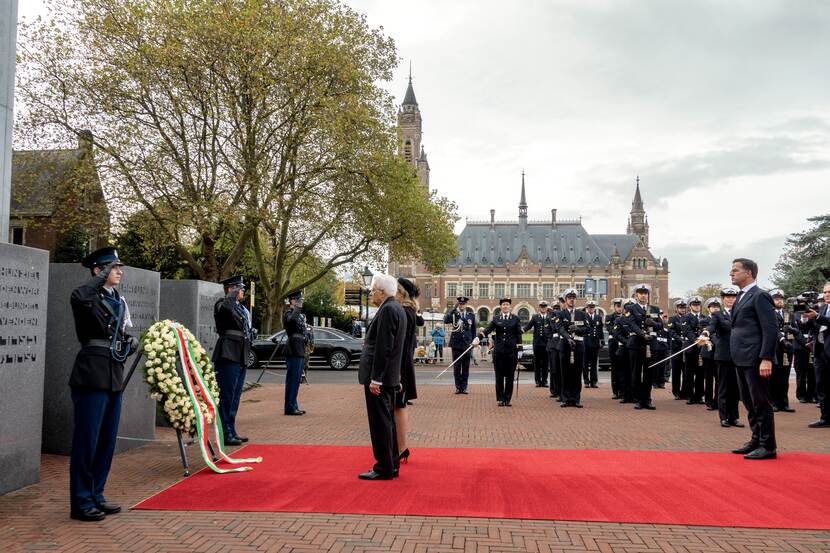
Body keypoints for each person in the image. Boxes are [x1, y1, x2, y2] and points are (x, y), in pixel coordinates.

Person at [68, 247, 138, 522]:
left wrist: (129, 342)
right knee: (87, 441)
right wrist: (100, 277)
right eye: (113, 267)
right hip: (91, 373)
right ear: (98, 271)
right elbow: (81, 295)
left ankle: (96, 493)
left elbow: (118, 332)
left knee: (106, 441)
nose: (119, 272)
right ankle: (81, 501)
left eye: (119, 267)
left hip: (112, 374)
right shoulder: (86, 297)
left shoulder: (118, 300)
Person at [358, 273, 407, 480]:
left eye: (374, 290)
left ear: (383, 291)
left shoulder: (387, 310)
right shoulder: (398, 308)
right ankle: (392, 464)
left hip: (381, 377)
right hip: (390, 376)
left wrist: (376, 378)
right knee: (388, 422)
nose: (371, 294)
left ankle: (384, 467)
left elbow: (384, 347)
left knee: (380, 423)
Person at [728, 258, 778, 460]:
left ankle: (768, 445)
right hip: (741, 358)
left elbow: (770, 329)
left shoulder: (760, 296)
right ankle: (756, 439)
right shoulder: (741, 296)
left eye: (735, 270)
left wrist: (766, 357)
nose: (731, 274)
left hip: (755, 358)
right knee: (748, 402)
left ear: (748, 273)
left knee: (761, 402)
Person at [213, 275, 254, 444]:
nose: (243, 290)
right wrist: (231, 293)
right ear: (230, 289)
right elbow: (225, 310)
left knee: (236, 395)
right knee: (227, 394)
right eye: (240, 287)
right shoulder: (222, 304)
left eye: (243, 287)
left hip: (240, 353)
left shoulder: (240, 308)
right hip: (228, 352)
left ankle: (231, 428)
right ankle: (224, 432)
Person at [705, 285, 743, 428]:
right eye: (727, 297)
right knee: (723, 387)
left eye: (733, 297)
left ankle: (734, 417)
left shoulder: (741, 313)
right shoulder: (718, 315)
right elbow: (711, 327)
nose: (731, 300)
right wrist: (706, 333)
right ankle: (724, 417)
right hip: (723, 355)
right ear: (723, 299)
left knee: (735, 388)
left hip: (738, 355)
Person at [395, 277, 423, 464]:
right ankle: (401, 447)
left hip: (400, 366)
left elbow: (400, 344)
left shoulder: (404, 312)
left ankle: (400, 448)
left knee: (398, 406)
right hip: (404, 365)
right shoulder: (410, 311)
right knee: (400, 406)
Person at [622, 283, 662, 410]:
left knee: (649, 373)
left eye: (645, 293)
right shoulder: (631, 309)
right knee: (636, 372)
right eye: (641, 293)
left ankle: (647, 399)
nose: (643, 295)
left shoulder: (654, 309)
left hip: (651, 344)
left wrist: (654, 323)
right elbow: (631, 324)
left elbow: (661, 325)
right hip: (637, 343)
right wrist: (642, 334)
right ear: (636, 295)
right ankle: (638, 399)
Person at [479, 298, 523, 406]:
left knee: (509, 376)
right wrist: (478, 337)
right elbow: (488, 330)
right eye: (503, 304)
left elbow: (518, 334)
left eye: (507, 304)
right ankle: (500, 398)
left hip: (511, 352)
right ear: (500, 306)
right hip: (498, 352)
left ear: (510, 306)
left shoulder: (515, 319)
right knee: (499, 376)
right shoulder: (496, 319)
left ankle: (507, 399)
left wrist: (520, 349)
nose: (505, 306)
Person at [800, 281, 830, 428]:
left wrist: (817, 316)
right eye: (825, 292)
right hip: (819, 352)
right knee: (821, 386)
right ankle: (825, 418)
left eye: (829, 292)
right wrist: (805, 317)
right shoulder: (822, 307)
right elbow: (809, 326)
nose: (826, 295)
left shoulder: (820, 312)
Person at [554, 288, 588, 408]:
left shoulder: (582, 314)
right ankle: (566, 398)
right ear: (565, 299)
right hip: (565, 345)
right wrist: (568, 338)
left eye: (573, 298)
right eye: (569, 298)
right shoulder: (560, 314)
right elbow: (560, 328)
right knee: (565, 373)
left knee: (577, 373)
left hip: (578, 345)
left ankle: (576, 399)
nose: (572, 300)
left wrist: (577, 329)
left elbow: (587, 329)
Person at [769, 289, 797, 413]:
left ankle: (784, 403)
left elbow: (796, 328)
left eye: (781, 298)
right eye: (776, 298)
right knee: (774, 376)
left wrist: (793, 331)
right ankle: (774, 402)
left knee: (784, 376)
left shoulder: (788, 314)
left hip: (787, 348)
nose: (779, 300)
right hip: (774, 348)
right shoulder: (769, 313)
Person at [444, 296, 476, 394]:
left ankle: (464, 387)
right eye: (460, 304)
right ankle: (458, 387)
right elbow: (445, 320)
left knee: (466, 367)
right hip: (456, 344)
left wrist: (474, 341)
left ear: (466, 305)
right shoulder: (454, 314)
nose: (462, 305)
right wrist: (452, 310)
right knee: (457, 367)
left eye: (463, 304)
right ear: (458, 304)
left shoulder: (471, 315)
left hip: (467, 344)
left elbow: (473, 330)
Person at [282, 291, 307, 416]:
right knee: (292, 379)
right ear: (292, 301)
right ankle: (289, 407)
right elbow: (291, 321)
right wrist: (297, 308)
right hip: (293, 348)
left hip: (300, 347)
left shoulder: (299, 315)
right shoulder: (288, 313)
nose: (300, 302)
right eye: (298, 300)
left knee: (297, 380)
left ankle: (293, 404)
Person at [522, 300, 552, 387]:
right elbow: (528, 326)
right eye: (542, 306)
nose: (543, 308)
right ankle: (538, 381)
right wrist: (520, 331)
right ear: (539, 307)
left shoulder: (550, 317)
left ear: (546, 307)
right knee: (537, 363)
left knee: (546, 363)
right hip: (537, 343)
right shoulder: (535, 317)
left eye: (545, 306)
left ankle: (545, 380)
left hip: (547, 343)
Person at [666, 299, 688, 400]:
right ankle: (676, 392)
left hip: (687, 348)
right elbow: (671, 332)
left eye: (684, 308)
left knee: (686, 371)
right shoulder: (672, 319)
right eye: (680, 308)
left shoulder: (688, 318)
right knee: (676, 371)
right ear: (677, 309)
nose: (682, 310)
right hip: (676, 348)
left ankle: (685, 391)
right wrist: (680, 339)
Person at [547, 295, 566, 399]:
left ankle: (563, 392)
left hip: (563, 342)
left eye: (558, 308)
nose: (556, 310)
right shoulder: (550, 317)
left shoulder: (564, 315)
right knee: (554, 370)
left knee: (563, 369)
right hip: (554, 344)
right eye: (555, 308)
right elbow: (548, 330)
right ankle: (555, 390)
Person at [701, 298, 718, 410]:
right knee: (708, 378)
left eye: (717, 307)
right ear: (708, 309)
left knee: (719, 378)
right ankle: (708, 400)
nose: (715, 308)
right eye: (713, 307)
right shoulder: (704, 320)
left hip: (720, 352)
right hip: (708, 352)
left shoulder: (724, 319)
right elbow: (706, 334)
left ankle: (717, 400)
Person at [582, 300, 604, 388]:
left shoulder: (598, 317)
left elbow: (600, 330)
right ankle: (586, 381)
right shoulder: (584, 316)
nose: (591, 309)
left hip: (595, 343)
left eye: (592, 307)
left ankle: (594, 381)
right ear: (587, 308)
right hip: (586, 342)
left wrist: (602, 340)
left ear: (594, 308)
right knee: (585, 364)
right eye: (589, 307)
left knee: (594, 364)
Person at [605, 299, 624, 399]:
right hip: (614, 343)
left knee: (622, 367)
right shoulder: (609, 317)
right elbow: (610, 330)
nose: (620, 309)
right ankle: (615, 391)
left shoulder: (626, 316)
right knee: (615, 368)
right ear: (614, 307)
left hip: (623, 343)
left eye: (621, 306)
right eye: (618, 306)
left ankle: (622, 391)